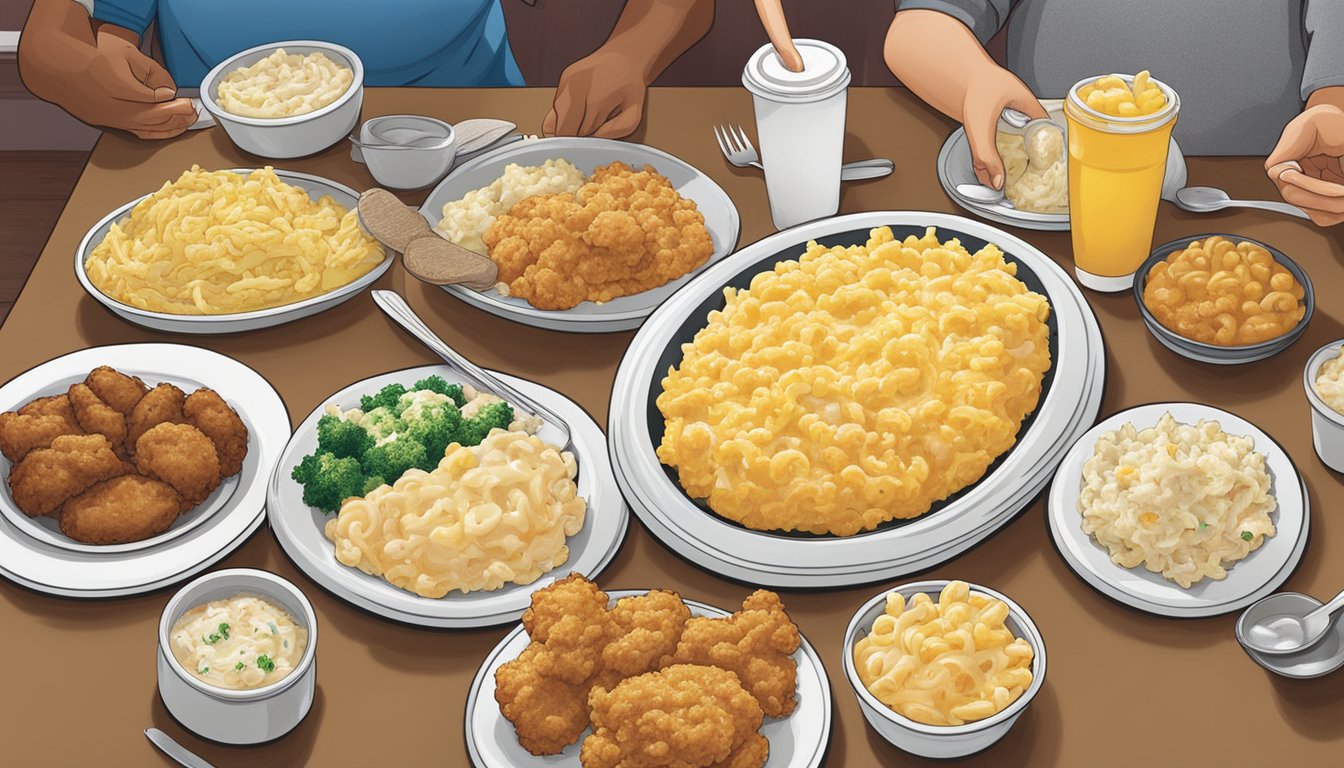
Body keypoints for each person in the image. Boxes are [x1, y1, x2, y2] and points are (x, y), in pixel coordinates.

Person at [884, 1, 1344, 226]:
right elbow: (919, 25)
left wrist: (1333, 108)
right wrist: (974, 81)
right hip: (1055, 217)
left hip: (1254, 203)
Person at [17, 0, 713, 141]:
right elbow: (56, 31)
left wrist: (630, 51)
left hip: (468, 149)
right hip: (224, 163)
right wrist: (60, 64)